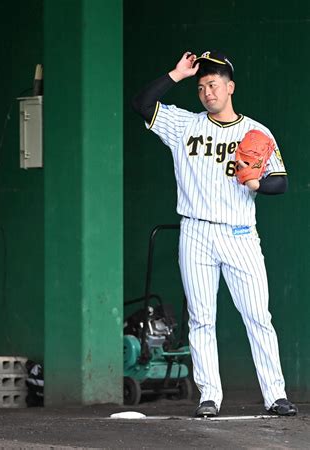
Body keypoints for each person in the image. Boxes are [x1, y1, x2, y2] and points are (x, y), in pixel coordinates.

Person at [131, 50, 297, 417]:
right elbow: (142, 104)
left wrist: (257, 183)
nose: (208, 91)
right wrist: (176, 75)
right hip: (195, 232)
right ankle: (209, 396)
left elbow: (281, 183)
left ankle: (276, 395)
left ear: (230, 87)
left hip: (239, 233)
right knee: (202, 319)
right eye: (203, 85)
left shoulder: (256, 131)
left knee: (258, 316)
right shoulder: (184, 125)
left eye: (215, 84)